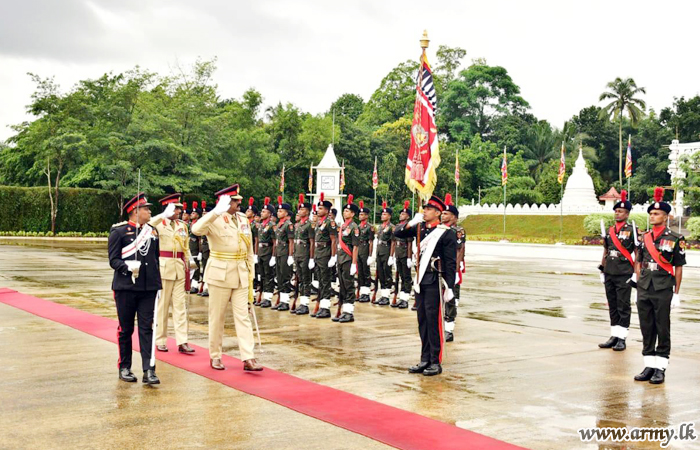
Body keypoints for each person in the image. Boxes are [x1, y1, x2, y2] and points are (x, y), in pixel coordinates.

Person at [191, 184, 262, 372]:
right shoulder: (214, 218)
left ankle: (248, 357)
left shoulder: (242, 219)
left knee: (243, 317)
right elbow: (196, 229)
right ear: (224, 201)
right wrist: (215, 212)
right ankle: (215, 355)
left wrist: (251, 275)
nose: (239, 203)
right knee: (217, 317)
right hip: (220, 274)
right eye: (235, 200)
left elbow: (248, 248)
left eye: (238, 200)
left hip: (240, 272)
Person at [394, 195, 457, 376]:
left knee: (433, 321)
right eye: (425, 208)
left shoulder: (446, 233)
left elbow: (450, 262)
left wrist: (450, 287)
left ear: (438, 213)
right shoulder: (420, 228)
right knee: (422, 320)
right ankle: (425, 359)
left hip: (435, 280)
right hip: (421, 281)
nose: (425, 211)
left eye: (429, 209)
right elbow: (398, 232)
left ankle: (435, 361)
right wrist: (410, 223)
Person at [108, 192, 162, 384]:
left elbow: (154, 259)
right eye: (146, 208)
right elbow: (113, 260)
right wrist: (127, 267)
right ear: (134, 211)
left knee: (147, 328)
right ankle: (124, 366)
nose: (149, 211)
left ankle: (149, 369)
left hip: (148, 288)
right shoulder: (119, 232)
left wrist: (158, 285)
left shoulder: (153, 231)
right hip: (126, 287)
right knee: (126, 329)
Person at [633, 187, 685, 385]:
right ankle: (649, 363)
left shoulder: (675, 238)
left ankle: (660, 367)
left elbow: (678, 267)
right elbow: (638, 261)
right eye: (651, 213)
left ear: (665, 216)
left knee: (662, 326)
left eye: (656, 214)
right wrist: (637, 283)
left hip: (663, 287)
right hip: (645, 286)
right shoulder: (644, 237)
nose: (652, 216)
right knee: (646, 326)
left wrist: (676, 293)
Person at [149, 194, 195, 355]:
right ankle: (160, 339)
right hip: (164, 267)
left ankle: (182, 341)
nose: (179, 211)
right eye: (175, 208)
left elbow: (186, 246)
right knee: (162, 306)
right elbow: (146, 225)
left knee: (180, 306)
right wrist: (162, 215)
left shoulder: (182, 225)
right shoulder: (158, 224)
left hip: (179, 268)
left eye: (179, 208)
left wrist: (190, 262)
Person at [598, 190, 637, 352]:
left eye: (620, 211)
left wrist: (636, 273)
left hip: (624, 272)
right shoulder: (610, 230)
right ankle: (614, 335)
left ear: (627, 214)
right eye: (616, 211)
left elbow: (638, 252)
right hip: (610, 271)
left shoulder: (632, 229)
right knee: (612, 304)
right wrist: (602, 269)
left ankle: (622, 337)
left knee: (623, 305)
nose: (617, 214)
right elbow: (606, 250)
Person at [333, 195, 360, 323]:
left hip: (348, 259)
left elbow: (355, 247)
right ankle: (344, 310)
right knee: (342, 285)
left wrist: (354, 263)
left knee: (348, 285)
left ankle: (349, 312)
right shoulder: (343, 226)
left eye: (348, 211)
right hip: (341, 259)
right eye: (344, 211)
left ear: (353, 214)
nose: (345, 213)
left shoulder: (354, 227)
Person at [441, 194, 464, 342]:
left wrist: (457, 269)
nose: (443, 215)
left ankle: (449, 329)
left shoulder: (458, 230)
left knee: (450, 298)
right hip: (440, 266)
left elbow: (460, 249)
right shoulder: (439, 228)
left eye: (446, 213)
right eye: (442, 213)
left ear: (454, 217)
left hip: (452, 266)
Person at [312, 193, 338, 318]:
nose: (318, 210)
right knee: (320, 281)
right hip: (318, 254)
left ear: (327, 211)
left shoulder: (330, 223)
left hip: (325, 253)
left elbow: (334, 240)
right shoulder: (318, 222)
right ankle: (321, 305)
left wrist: (333, 256)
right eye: (318, 208)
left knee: (325, 281)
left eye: (321, 208)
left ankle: (325, 308)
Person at [272, 196, 295, 311]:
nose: (278, 212)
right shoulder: (279, 224)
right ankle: (281, 300)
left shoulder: (288, 224)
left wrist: (290, 256)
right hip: (279, 253)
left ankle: (285, 302)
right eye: (278, 210)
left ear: (286, 213)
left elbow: (291, 242)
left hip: (285, 253)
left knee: (285, 277)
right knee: (279, 276)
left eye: (281, 211)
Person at [293, 194, 314, 315]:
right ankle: (301, 302)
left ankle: (305, 304)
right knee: (300, 279)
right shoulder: (298, 225)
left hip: (305, 255)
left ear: (308, 211)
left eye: (303, 209)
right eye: (299, 209)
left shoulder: (309, 225)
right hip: (298, 254)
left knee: (306, 280)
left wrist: (311, 258)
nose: (300, 211)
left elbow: (312, 242)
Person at [256, 197, 276, 308]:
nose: (262, 213)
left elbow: (274, 242)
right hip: (261, 251)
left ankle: (268, 298)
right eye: (262, 211)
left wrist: (273, 255)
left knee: (268, 275)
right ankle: (262, 295)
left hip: (268, 251)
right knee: (262, 275)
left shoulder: (272, 225)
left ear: (269, 214)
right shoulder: (261, 225)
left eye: (264, 212)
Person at [393, 201, 414, 309]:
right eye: (400, 213)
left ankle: (405, 299)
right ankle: (402, 297)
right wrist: (393, 256)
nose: (401, 215)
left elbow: (409, 243)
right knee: (401, 276)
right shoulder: (397, 227)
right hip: (398, 254)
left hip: (405, 254)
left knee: (406, 277)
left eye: (403, 214)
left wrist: (409, 258)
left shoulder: (408, 227)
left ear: (408, 217)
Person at [375, 202, 395, 306]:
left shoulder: (392, 227)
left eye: (385, 214)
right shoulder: (380, 227)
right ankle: (383, 295)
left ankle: (387, 296)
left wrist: (391, 256)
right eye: (382, 214)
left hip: (387, 250)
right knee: (380, 274)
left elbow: (393, 242)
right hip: (379, 251)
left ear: (389, 216)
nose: (383, 216)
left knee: (387, 273)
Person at [356, 201, 375, 303]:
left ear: (367, 216)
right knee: (360, 272)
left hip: (365, 248)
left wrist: (370, 255)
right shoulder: (358, 226)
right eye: (359, 214)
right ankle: (361, 290)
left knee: (365, 271)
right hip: (359, 248)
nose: (360, 216)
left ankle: (366, 293)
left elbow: (371, 242)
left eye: (362, 214)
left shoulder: (369, 227)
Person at [245, 197, 260, 291]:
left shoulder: (254, 225)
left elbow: (256, 240)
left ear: (253, 214)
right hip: (244, 251)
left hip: (252, 251)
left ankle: (253, 293)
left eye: (249, 211)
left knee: (252, 272)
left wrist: (255, 254)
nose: (247, 212)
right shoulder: (245, 224)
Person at [189, 201, 202, 294]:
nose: (191, 214)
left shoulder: (198, 224)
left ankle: (195, 284)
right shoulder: (190, 224)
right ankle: (191, 283)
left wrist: (200, 251)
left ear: (198, 215)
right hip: (190, 248)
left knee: (196, 266)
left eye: (193, 213)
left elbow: (200, 239)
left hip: (196, 249)